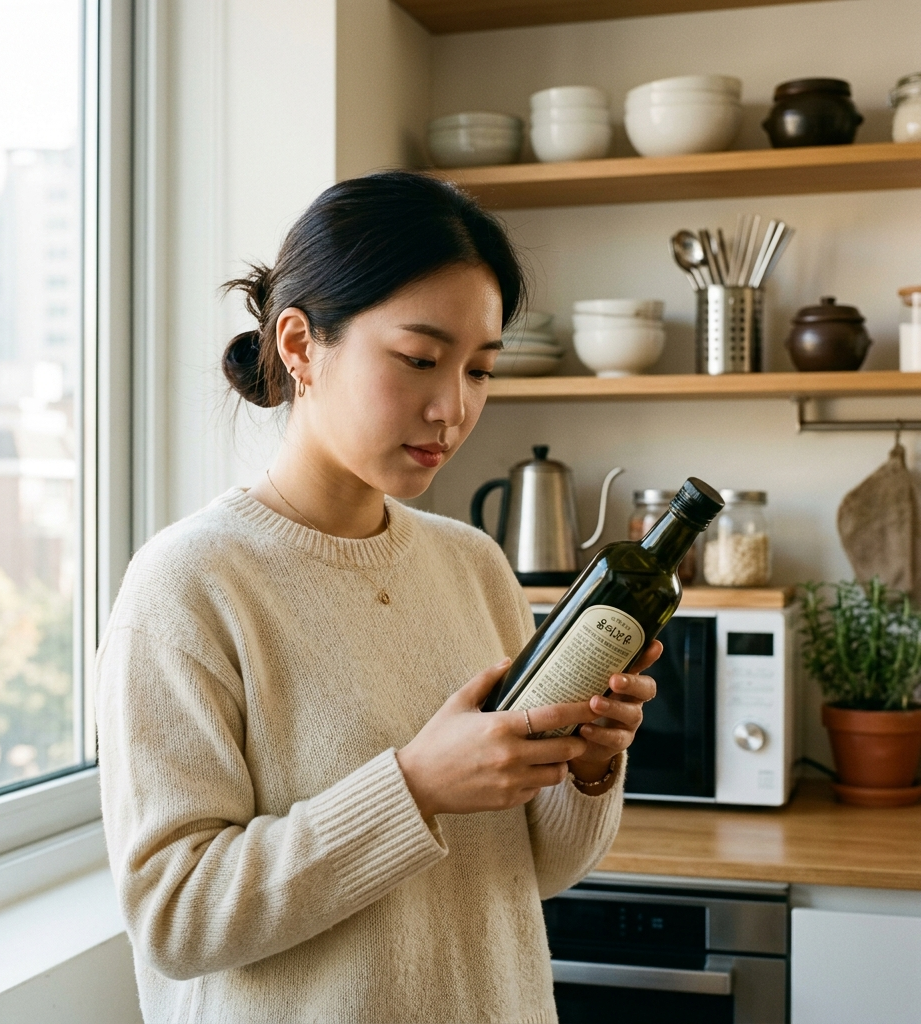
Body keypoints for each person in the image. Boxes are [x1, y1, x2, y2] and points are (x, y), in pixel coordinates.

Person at [96, 171, 659, 1024]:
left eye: (480, 369)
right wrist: (415, 786)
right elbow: (176, 918)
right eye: (419, 360)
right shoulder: (189, 584)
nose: (453, 408)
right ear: (298, 344)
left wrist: (585, 770)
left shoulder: (474, 565)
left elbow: (531, 871)